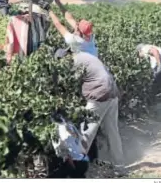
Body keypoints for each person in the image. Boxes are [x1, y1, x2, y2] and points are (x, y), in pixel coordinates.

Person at [54, 46, 126, 176]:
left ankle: (78, 171)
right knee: (112, 132)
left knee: (85, 133)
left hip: (99, 95)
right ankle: (120, 168)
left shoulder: (74, 62)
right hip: (112, 92)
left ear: (64, 58)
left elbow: (68, 83)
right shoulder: (84, 56)